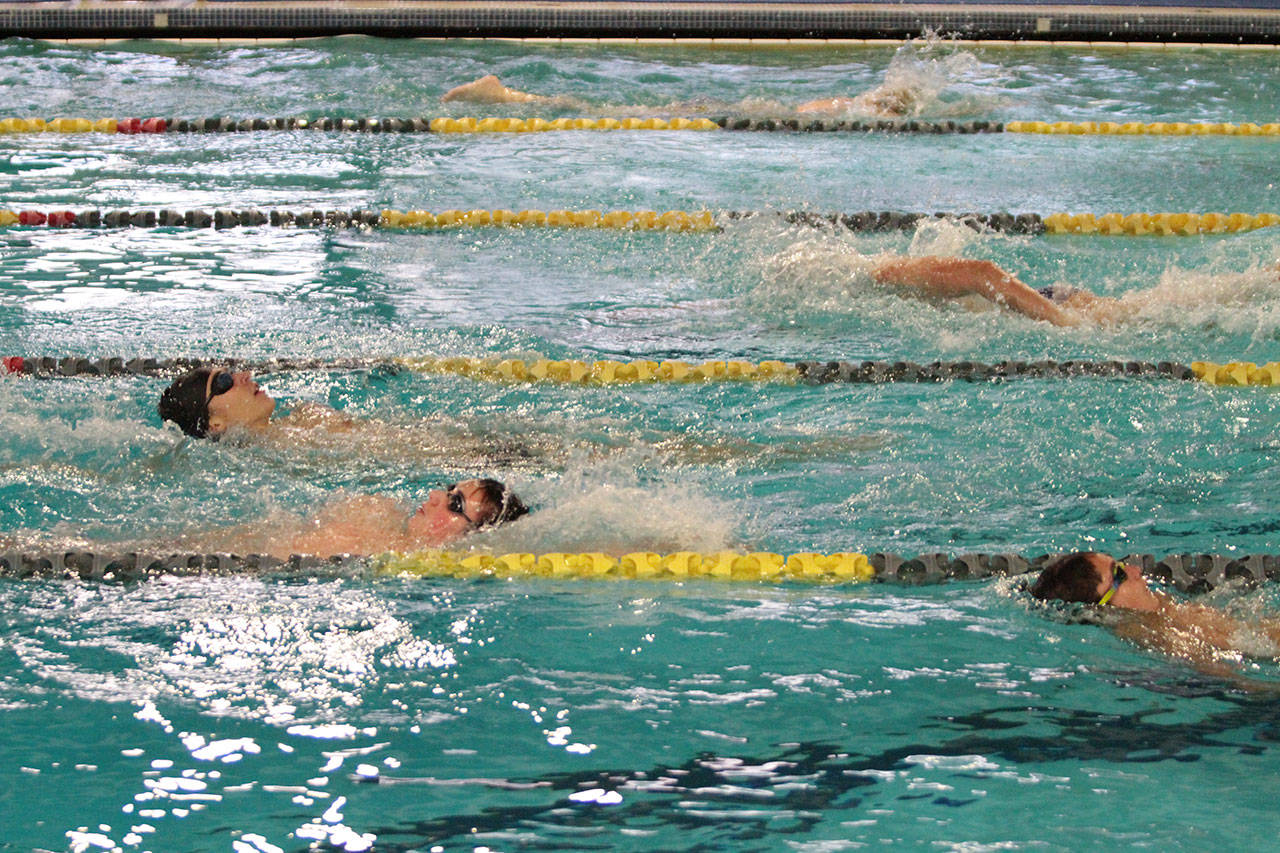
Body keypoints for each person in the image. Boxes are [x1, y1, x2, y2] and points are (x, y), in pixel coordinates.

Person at [1029, 551, 1280, 678]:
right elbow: (1226, 675)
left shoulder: (1158, 610)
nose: (1136, 570)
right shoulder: (1150, 633)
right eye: (1120, 574)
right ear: (1102, 606)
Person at [158, 367, 353, 439]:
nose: (244, 376)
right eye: (224, 381)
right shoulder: (272, 457)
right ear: (215, 424)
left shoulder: (303, 416)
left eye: (232, 373)